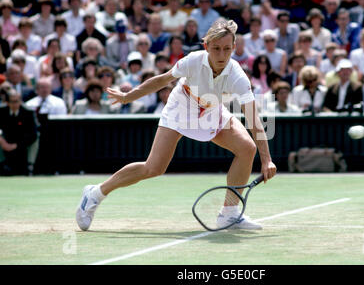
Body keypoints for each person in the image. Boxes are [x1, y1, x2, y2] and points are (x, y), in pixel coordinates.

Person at [76, 19, 276, 232]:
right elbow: (162, 80)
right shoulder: (192, 61)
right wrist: (127, 96)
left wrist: (267, 160)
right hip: (181, 107)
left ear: (234, 48)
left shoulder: (238, 76)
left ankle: (229, 214)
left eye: (227, 49)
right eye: (216, 48)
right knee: (153, 167)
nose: (221, 55)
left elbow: (254, 119)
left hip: (210, 110)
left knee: (247, 148)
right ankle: (95, 193)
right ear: (206, 46)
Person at [0, 89, 38, 176]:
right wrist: (2, 141)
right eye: (12, 102)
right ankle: (2, 164)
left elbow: (33, 134)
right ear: (7, 102)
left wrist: (16, 145)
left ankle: (30, 166)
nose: (15, 104)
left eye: (17, 101)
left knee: (36, 139)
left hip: (23, 141)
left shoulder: (28, 112)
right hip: (6, 141)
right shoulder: (1, 111)